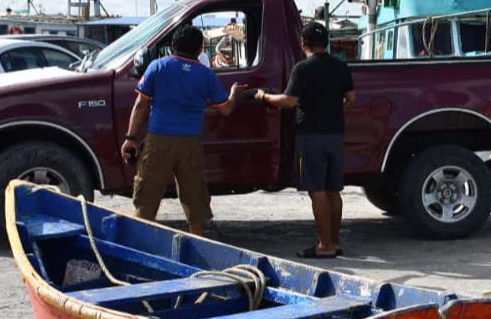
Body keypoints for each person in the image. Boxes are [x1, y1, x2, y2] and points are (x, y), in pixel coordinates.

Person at [121, 24, 249, 237]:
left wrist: (131, 139)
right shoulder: (205, 75)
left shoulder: (157, 67)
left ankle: (140, 240)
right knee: (194, 196)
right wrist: (235, 94)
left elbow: (141, 105)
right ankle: (197, 240)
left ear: (172, 46)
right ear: (200, 49)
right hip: (190, 142)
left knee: (147, 195)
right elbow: (225, 109)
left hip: (158, 141)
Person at [253, 22, 355, 258]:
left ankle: (325, 246)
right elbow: (351, 97)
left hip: (311, 135)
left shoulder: (302, 69)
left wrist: (263, 96)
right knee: (333, 190)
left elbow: (288, 101)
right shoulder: (340, 66)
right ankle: (335, 242)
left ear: (303, 44)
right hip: (335, 134)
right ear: (327, 42)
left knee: (316, 190)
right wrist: (333, 106)